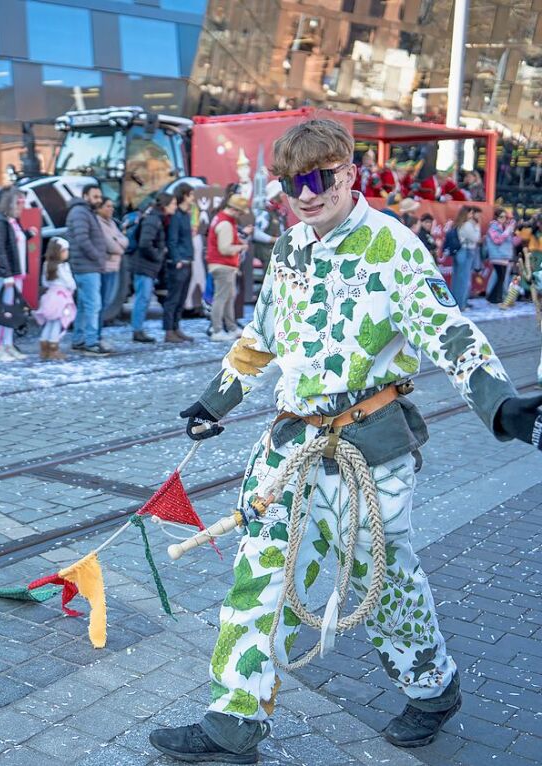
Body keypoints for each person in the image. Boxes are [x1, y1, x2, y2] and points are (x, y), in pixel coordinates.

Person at [151, 118, 542, 763]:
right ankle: (234, 721)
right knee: (259, 572)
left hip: (371, 447)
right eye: (289, 183)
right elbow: (262, 335)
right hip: (291, 443)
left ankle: (431, 690)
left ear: (348, 174)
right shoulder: (289, 248)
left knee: (380, 578)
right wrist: (216, 399)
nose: (304, 195)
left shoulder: (394, 248)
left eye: (316, 179)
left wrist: (503, 407)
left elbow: (450, 333)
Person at [0, 187, 30, 363]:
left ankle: (8, 344)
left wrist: (28, 234)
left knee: (11, 311)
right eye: (19, 203)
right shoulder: (0, 222)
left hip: (15, 274)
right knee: (2, 311)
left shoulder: (13, 222)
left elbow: (13, 244)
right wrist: (6, 274)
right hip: (5, 275)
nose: (21, 207)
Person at [67, 184, 110, 355]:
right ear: (85, 196)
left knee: (85, 306)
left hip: (87, 265)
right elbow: (82, 239)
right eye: (95, 197)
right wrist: (98, 257)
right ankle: (91, 342)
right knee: (93, 305)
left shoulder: (85, 212)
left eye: (100, 197)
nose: (99, 200)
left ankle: (79, 339)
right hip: (86, 266)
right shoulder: (80, 213)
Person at [206, 193, 251, 341]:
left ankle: (231, 327)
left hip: (222, 265)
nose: (240, 216)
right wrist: (241, 247)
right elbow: (224, 249)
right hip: (223, 265)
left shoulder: (222, 219)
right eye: (240, 212)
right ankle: (217, 330)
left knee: (228, 296)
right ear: (235, 210)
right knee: (221, 298)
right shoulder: (225, 223)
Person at [130, 194, 174, 344]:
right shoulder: (154, 219)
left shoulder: (155, 218)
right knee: (142, 299)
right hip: (144, 266)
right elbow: (144, 243)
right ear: (165, 205)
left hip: (146, 265)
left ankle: (138, 329)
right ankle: (137, 330)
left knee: (144, 298)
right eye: (173, 203)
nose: (175, 206)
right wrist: (159, 255)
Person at [34, 237, 76, 361]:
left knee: (49, 322)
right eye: (65, 251)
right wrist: (72, 287)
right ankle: (53, 348)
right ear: (60, 252)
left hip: (50, 296)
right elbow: (69, 282)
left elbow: (45, 283)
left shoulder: (47, 265)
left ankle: (44, 348)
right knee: (57, 323)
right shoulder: (63, 266)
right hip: (61, 298)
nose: (67, 253)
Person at [164, 184, 196, 343]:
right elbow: (172, 240)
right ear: (184, 195)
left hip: (187, 261)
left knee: (181, 298)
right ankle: (169, 330)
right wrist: (176, 259)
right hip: (179, 263)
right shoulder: (176, 216)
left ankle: (176, 327)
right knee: (173, 298)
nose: (193, 198)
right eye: (191, 194)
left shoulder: (185, 215)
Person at [97, 197, 128, 321]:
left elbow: (125, 240)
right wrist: (119, 245)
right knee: (102, 301)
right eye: (108, 206)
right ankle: (95, 335)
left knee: (107, 301)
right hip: (105, 267)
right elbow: (110, 244)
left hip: (114, 266)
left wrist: (118, 242)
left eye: (112, 206)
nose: (112, 209)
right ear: (100, 208)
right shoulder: (99, 223)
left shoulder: (112, 223)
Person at [452, 207, 481, 311]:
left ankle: (457, 302)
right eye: (471, 213)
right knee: (463, 280)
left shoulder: (459, 224)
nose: (472, 215)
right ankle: (461, 304)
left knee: (457, 279)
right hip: (466, 251)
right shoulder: (468, 224)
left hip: (460, 252)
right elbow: (476, 238)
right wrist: (477, 227)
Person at [484, 208, 515, 304]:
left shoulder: (505, 227)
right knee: (501, 277)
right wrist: (507, 232)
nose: (504, 219)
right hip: (497, 256)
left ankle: (494, 297)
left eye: (505, 217)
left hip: (505, 256)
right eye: (501, 217)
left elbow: (511, 242)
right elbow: (497, 240)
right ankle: (494, 298)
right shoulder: (493, 228)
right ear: (496, 217)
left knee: (501, 278)